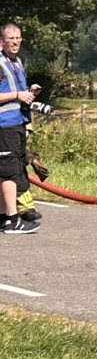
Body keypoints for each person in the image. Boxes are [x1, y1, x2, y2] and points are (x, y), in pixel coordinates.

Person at [0, 23, 40, 233]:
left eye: (18, 38)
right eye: (10, 38)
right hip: (3, 125)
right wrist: (17, 95)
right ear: (1, 42)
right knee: (8, 172)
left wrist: (28, 91)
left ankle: (2, 217)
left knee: (10, 169)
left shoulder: (16, 62)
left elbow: (16, 92)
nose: (15, 42)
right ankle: (13, 219)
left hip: (17, 123)